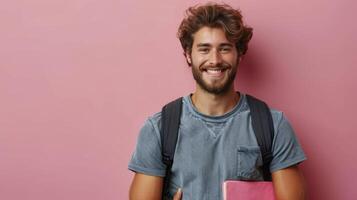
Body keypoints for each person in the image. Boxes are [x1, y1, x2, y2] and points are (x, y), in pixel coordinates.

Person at [128, 3, 307, 200]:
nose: (214, 59)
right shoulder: (158, 129)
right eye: (204, 49)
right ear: (188, 55)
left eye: (224, 48)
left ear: (239, 54)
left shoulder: (273, 125)